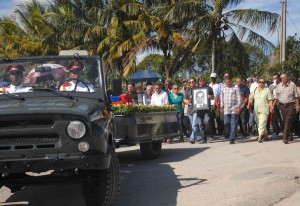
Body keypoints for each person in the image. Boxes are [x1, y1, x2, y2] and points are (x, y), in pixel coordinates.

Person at [274, 73, 300, 144]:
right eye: (281, 78)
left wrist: (298, 106)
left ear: (287, 78)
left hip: (291, 105)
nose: (282, 79)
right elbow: (276, 97)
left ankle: (285, 137)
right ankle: (290, 135)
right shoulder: (279, 86)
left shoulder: (292, 85)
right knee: (286, 121)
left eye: (283, 78)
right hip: (282, 106)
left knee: (288, 120)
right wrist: (273, 106)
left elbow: (297, 97)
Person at [247, 78, 274, 143]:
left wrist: (271, 107)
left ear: (265, 83)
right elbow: (251, 98)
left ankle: (260, 137)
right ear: (258, 82)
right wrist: (249, 104)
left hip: (264, 110)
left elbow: (270, 100)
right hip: (256, 110)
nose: (261, 83)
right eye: (260, 82)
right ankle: (266, 136)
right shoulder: (255, 90)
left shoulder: (267, 90)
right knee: (260, 124)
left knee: (262, 123)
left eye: (263, 82)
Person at [220, 77, 241, 144]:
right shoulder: (223, 88)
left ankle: (232, 138)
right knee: (226, 123)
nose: (228, 82)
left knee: (234, 123)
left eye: (229, 81)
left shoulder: (235, 87)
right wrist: (221, 107)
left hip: (234, 108)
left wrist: (238, 106)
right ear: (225, 82)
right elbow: (221, 98)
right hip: (226, 108)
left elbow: (238, 97)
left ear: (231, 81)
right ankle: (232, 133)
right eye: (226, 81)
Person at [196, 76, 214, 144]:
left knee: (207, 122)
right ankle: (203, 138)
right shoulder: (196, 89)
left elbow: (213, 97)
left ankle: (210, 135)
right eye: (200, 81)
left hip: (206, 108)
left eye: (202, 81)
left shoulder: (209, 88)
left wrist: (210, 97)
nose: (201, 82)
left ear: (204, 81)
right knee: (200, 124)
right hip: (198, 109)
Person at [183, 78, 201, 144]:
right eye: (190, 82)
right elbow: (184, 99)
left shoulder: (198, 89)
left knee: (194, 125)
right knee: (194, 125)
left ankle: (192, 138)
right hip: (190, 109)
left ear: (195, 82)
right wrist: (188, 102)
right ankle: (198, 137)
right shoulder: (187, 90)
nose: (191, 83)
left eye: (192, 82)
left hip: (196, 109)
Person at [269, 73, 283, 138]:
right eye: (274, 78)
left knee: (282, 118)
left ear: (279, 78)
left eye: (276, 78)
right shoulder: (271, 85)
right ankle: (275, 131)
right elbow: (269, 95)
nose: (275, 79)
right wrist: (272, 89)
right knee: (274, 118)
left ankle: (283, 130)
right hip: (274, 104)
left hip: (281, 103)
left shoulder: (282, 84)